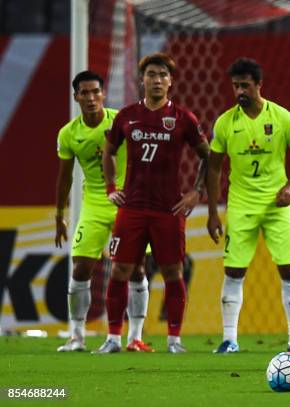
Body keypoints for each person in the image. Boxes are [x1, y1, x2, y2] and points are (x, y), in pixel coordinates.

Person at [96, 52, 209, 353]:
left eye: (162, 75)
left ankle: (174, 340)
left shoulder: (184, 119)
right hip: (132, 208)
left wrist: (196, 191)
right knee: (120, 271)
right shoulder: (126, 116)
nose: (157, 80)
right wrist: (110, 187)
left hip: (168, 210)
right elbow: (108, 152)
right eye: (151, 75)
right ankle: (112, 339)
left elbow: (208, 157)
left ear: (170, 82)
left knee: (172, 273)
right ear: (141, 79)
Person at [207, 58, 290, 353]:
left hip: (277, 206)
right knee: (234, 271)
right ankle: (229, 339)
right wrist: (214, 212)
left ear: (258, 85)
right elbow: (213, 168)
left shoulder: (282, 118)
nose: (239, 90)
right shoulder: (226, 123)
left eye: (245, 85)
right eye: (235, 85)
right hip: (241, 206)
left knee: (289, 268)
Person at [55, 71, 152, 353]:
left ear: (103, 94)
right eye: (84, 93)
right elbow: (64, 178)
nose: (90, 98)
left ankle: (135, 337)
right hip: (95, 204)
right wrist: (59, 215)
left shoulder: (123, 121)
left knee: (135, 269)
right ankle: (76, 336)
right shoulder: (68, 133)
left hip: (128, 202)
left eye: (95, 91)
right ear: (76, 97)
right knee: (81, 266)